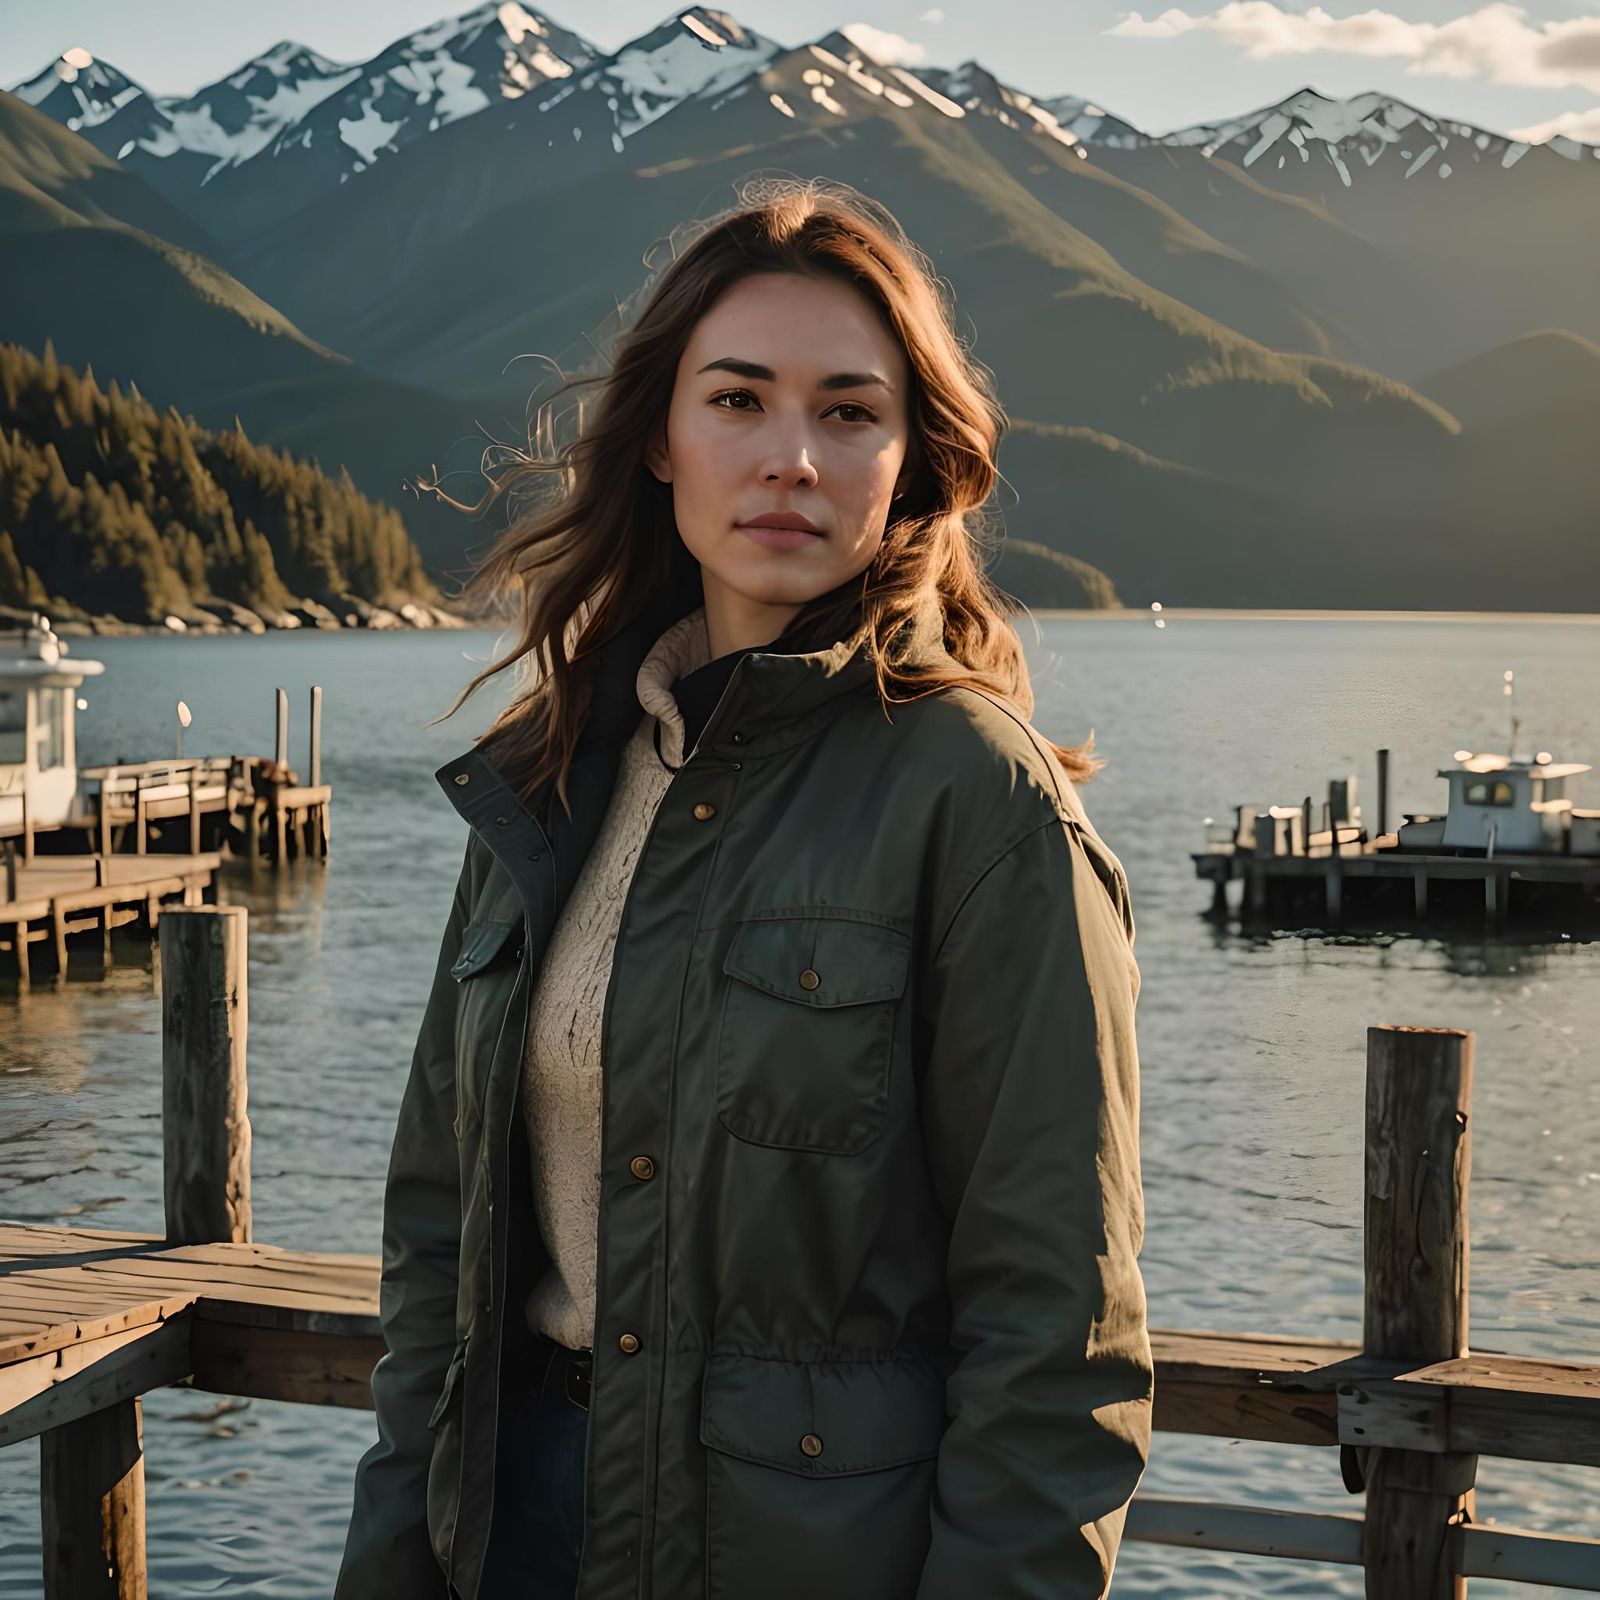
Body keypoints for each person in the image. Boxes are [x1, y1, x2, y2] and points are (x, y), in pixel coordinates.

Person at [335, 176, 1152, 1600]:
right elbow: (436, 1250)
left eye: (848, 411)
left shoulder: (978, 801)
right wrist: (396, 1552)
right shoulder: (551, 780)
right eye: (738, 401)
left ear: (914, 459)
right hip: (512, 1528)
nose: (793, 459)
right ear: (660, 439)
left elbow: (1057, 1336)